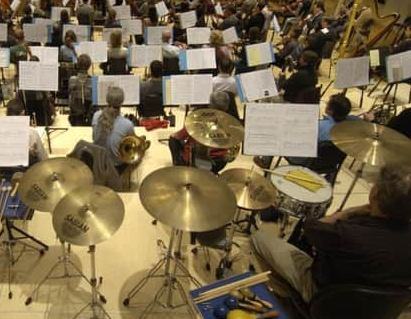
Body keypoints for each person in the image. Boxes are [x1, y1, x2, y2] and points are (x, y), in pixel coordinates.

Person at [251, 165, 411, 307]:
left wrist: (348, 212)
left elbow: (311, 229)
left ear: (374, 194)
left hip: (327, 300)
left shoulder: (347, 235)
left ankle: (293, 301)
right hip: (377, 311)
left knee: (259, 239)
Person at [169, 91, 236, 174]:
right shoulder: (233, 124)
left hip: (195, 162)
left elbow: (177, 136)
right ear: (227, 106)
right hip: (218, 164)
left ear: (210, 105)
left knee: (173, 139)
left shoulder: (197, 120)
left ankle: (179, 167)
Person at [92, 86, 135, 172]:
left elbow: (94, 138)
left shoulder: (96, 115)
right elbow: (132, 145)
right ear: (121, 102)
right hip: (115, 167)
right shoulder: (127, 124)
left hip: (97, 162)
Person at [6, 99, 48, 164]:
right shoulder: (32, 133)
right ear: (23, 112)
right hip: (27, 171)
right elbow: (44, 159)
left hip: (4, 172)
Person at [68, 54, 93, 125]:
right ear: (89, 66)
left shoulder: (72, 79)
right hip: (88, 117)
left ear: (77, 65)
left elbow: (70, 95)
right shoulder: (93, 81)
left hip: (74, 116)